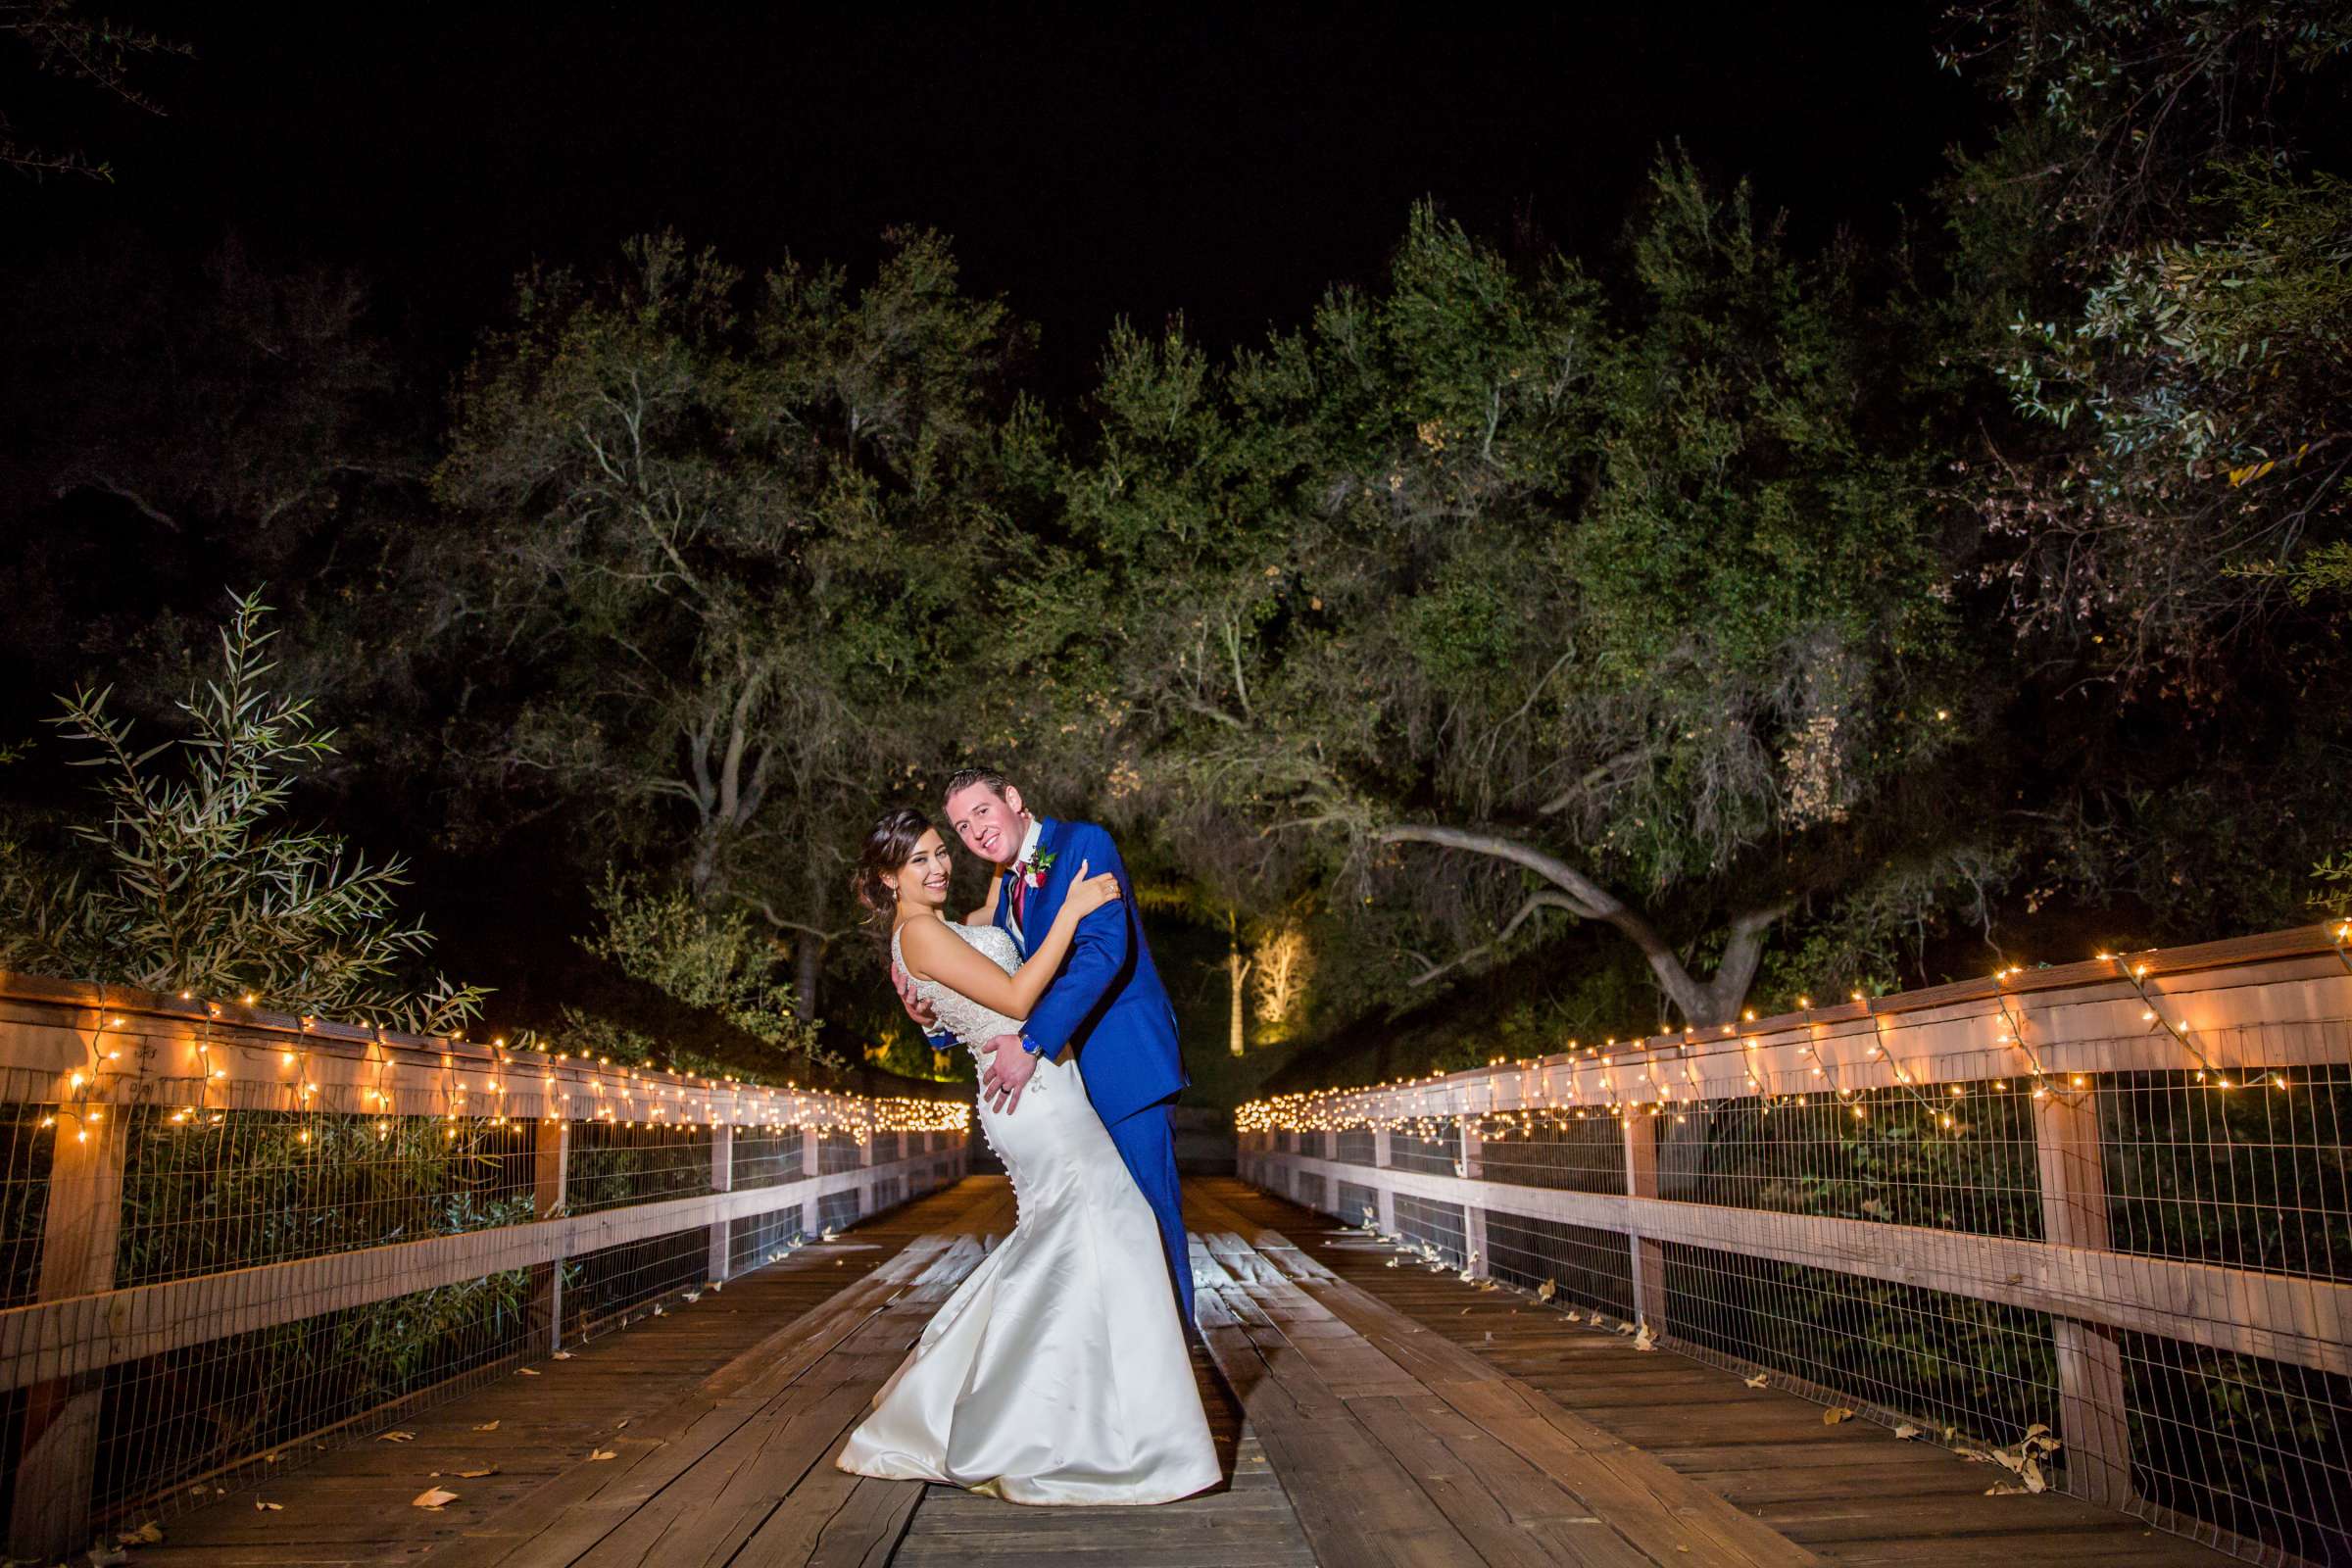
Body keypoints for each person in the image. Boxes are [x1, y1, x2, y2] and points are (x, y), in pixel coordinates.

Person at [834, 808, 1219, 1505]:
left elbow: (992, 926)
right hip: (1034, 1097)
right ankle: (1084, 1424)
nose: (938, 866)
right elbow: (1013, 994)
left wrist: (934, 1015)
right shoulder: (918, 931)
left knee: (1079, 1240)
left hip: (1046, 1089)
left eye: (940, 851)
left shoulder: (949, 920)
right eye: (918, 860)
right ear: (889, 879)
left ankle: (1089, 1411)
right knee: (1106, 1227)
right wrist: (1070, 910)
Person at [903, 766, 1195, 1327]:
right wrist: (932, 1021)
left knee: (1152, 1222)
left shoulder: (1084, 844)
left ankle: (1181, 1372)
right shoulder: (1013, 884)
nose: (976, 832)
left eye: (982, 812)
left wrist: (1032, 1041)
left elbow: (1102, 954)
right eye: (962, 827)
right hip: (1065, 1086)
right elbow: (1005, 980)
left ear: (1013, 799)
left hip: (1122, 1066)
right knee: (1106, 1234)